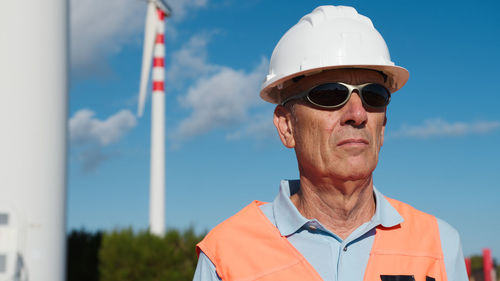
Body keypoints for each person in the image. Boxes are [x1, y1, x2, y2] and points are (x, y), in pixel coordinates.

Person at [193, 5, 468, 281]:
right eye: (330, 94)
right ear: (287, 126)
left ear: (382, 126)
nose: (357, 114)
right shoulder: (226, 256)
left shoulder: (439, 246)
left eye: (373, 95)